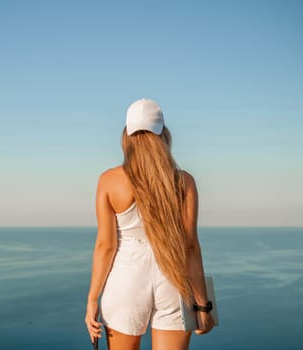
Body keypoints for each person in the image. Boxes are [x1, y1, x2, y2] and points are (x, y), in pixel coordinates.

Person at [85, 98, 215, 350]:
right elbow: (190, 248)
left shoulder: (109, 180)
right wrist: (202, 305)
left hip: (126, 277)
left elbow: (105, 246)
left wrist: (92, 299)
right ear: (164, 134)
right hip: (173, 278)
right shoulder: (184, 182)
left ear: (127, 135)